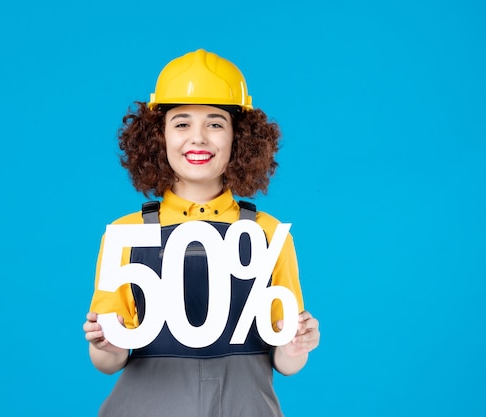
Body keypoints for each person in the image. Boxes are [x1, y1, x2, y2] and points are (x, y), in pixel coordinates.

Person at [83, 49, 320, 417]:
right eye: (181, 123)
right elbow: (107, 361)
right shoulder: (125, 233)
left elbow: (286, 363)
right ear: (157, 137)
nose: (198, 138)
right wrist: (106, 344)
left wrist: (297, 345)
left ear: (238, 138)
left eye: (215, 123)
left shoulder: (269, 233)